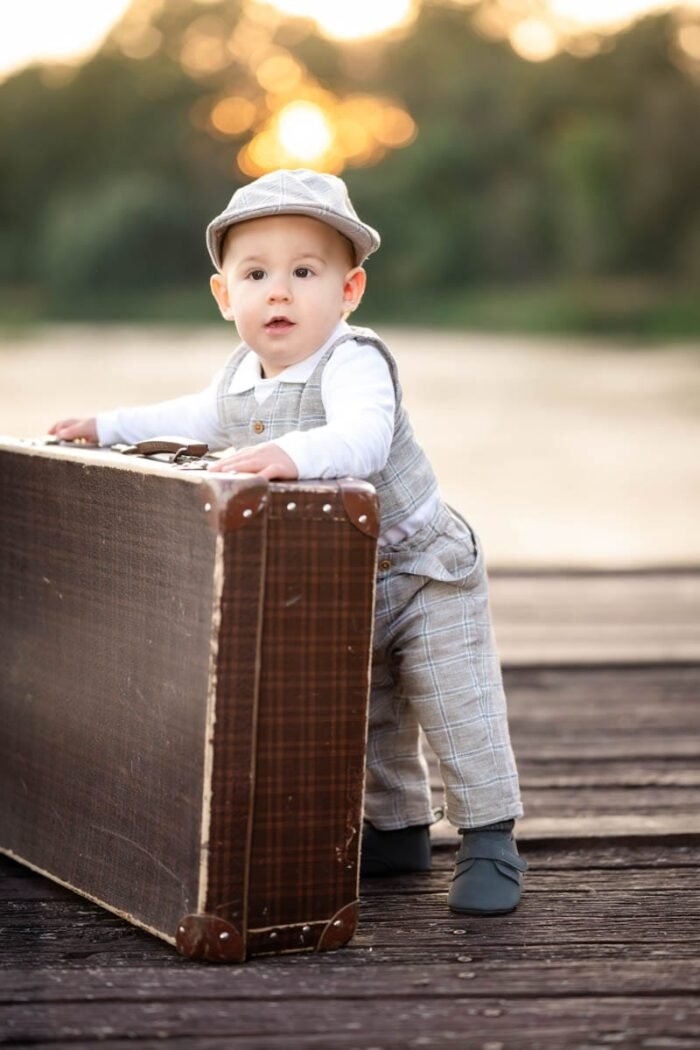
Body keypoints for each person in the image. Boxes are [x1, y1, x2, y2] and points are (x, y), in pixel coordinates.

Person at [50, 168, 526, 914]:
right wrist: (106, 426)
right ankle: (396, 830)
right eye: (257, 274)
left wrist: (291, 456)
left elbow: (363, 438)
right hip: (340, 574)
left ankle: (491, 838)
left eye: (305, 272)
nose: (280, 291)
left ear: (348, 291)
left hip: (425, 563)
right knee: (359, 710)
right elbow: (192, 417)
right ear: (224, 296)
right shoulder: (240, 376)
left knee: (452, 698)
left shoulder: (354, 359)